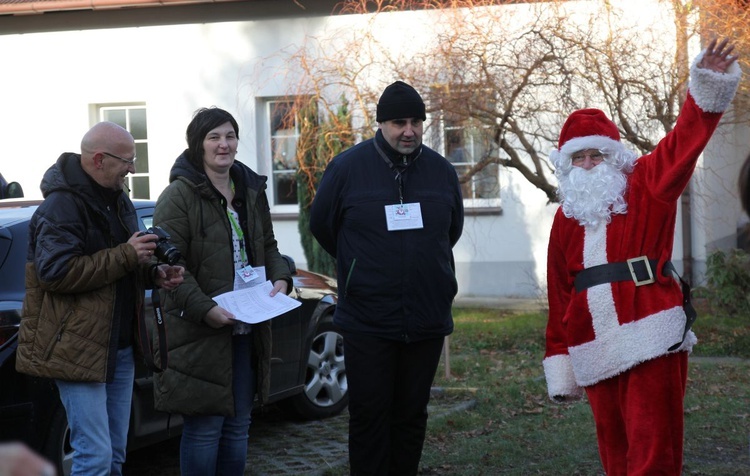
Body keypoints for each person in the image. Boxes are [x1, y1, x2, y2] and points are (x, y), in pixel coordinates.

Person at [543, 38, 741, 475]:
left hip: (650, 333)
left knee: (653, 451)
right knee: (614, 452)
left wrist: (705, 89)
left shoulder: (647, 186)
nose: (591, 164)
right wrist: (558, 357)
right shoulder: (565, 218)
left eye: (598, 154)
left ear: (615, 157)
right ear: (567, 165)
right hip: (591, 343)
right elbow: (559, 292)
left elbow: (683, 142)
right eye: (580, 157)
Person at [310, 80, 464, 475]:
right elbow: (323, 226)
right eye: (399, 122)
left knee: (411, 415)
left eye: (416, 121)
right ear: (381, 124)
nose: (408, 131)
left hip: (426, 316)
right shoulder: (347, 168)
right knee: (369, 416)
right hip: (367, 319)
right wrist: (362, 266)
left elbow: (451, 231)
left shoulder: (441, 171)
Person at [14, 121, 185, 476]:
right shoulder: (59, 208)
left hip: (118, 348)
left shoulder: (118, 199)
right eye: (127, 160)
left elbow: (123, 264)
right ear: (98, 159)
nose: (133, 169)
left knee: (116, 455)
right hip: (76, 350)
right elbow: (55, 273)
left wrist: (153, 273)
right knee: (94, 457)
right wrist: (126, 255)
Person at [151, 107, 292, 476]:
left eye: (230, 136)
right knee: (204, 430)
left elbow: (270, 246)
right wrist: (206, 310)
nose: (223, 144)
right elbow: (171, 269)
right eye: (214, 137)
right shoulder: (178, 196)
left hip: (248, 326)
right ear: (198, 144)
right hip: (200, 333)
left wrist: (282, 279)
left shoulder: (249, 190)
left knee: (238, 427)